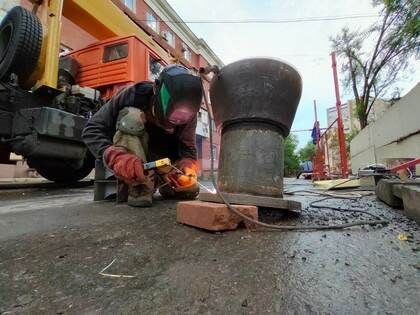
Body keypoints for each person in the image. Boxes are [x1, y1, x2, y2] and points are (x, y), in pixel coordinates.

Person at [82, 64, 203, 207]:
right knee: (131, 117)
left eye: (183, 117)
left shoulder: (189, 114)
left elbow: (188, 149)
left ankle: (162, 183)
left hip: (165, 167)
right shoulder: (132, 95)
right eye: (174, 114)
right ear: (156, 89)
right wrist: (116, 157)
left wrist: (187, 165)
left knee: (190, 188)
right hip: (134, 160)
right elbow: (91, 129)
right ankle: (138, 186)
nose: (176, 121)